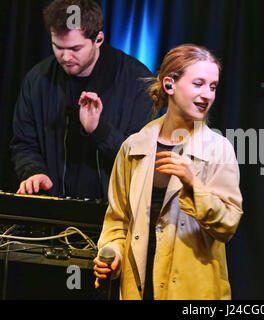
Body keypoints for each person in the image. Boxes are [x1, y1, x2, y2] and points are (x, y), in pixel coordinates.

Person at [93, 44, 243, 300]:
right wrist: (112, 252)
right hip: (138, 289)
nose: (207, 94)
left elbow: (228, 224)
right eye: (198, 84)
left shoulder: (219, 150)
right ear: (169, 85)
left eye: (213, 86)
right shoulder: (134, 146)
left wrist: (193, 184)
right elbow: (117, 220)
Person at [10, 0, 153, 200]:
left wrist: (98, 130)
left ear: (99, 39)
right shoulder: (37, 79)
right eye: (57, 47)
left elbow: (141, 159)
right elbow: (24, 142)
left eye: (75, 48)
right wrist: (33, 171)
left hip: (112, 215)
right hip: (52, 210)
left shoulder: (139, 82)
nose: (65, 56)